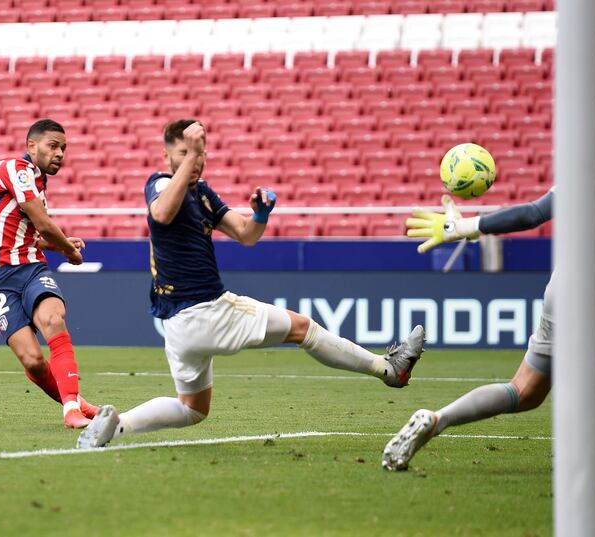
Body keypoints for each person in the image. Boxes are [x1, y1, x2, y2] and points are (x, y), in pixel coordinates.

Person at [382, 86, 595, 471]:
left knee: (523, 392)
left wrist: (463, 227)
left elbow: (532, 214)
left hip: (564, 293)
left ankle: (436, 419)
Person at [77, 119, 425, 448]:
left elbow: (245, 234)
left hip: (180, 324)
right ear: (167, 156)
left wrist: (260, 214)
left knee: (193, 408)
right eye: (185, 153)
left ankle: (117, 425)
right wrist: (193, 155)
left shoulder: (202, 194)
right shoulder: (161, 183)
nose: (195, 161)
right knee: (304, 329)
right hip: (207, 309)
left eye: (200, 153)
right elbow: (162, 213)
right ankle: (389, 370)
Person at [0, 118, 98, 429]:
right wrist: (66, 248)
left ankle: (70, 410)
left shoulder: (38, 186)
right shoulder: (14, 169)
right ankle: (79, 403)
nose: (60, 153)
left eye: (64, 148)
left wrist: (57, 245)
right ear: (31, 146)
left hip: (30, 268)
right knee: (34, 362)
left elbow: (30, 236)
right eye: (53, 146)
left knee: (54, 319)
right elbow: (41, 221)